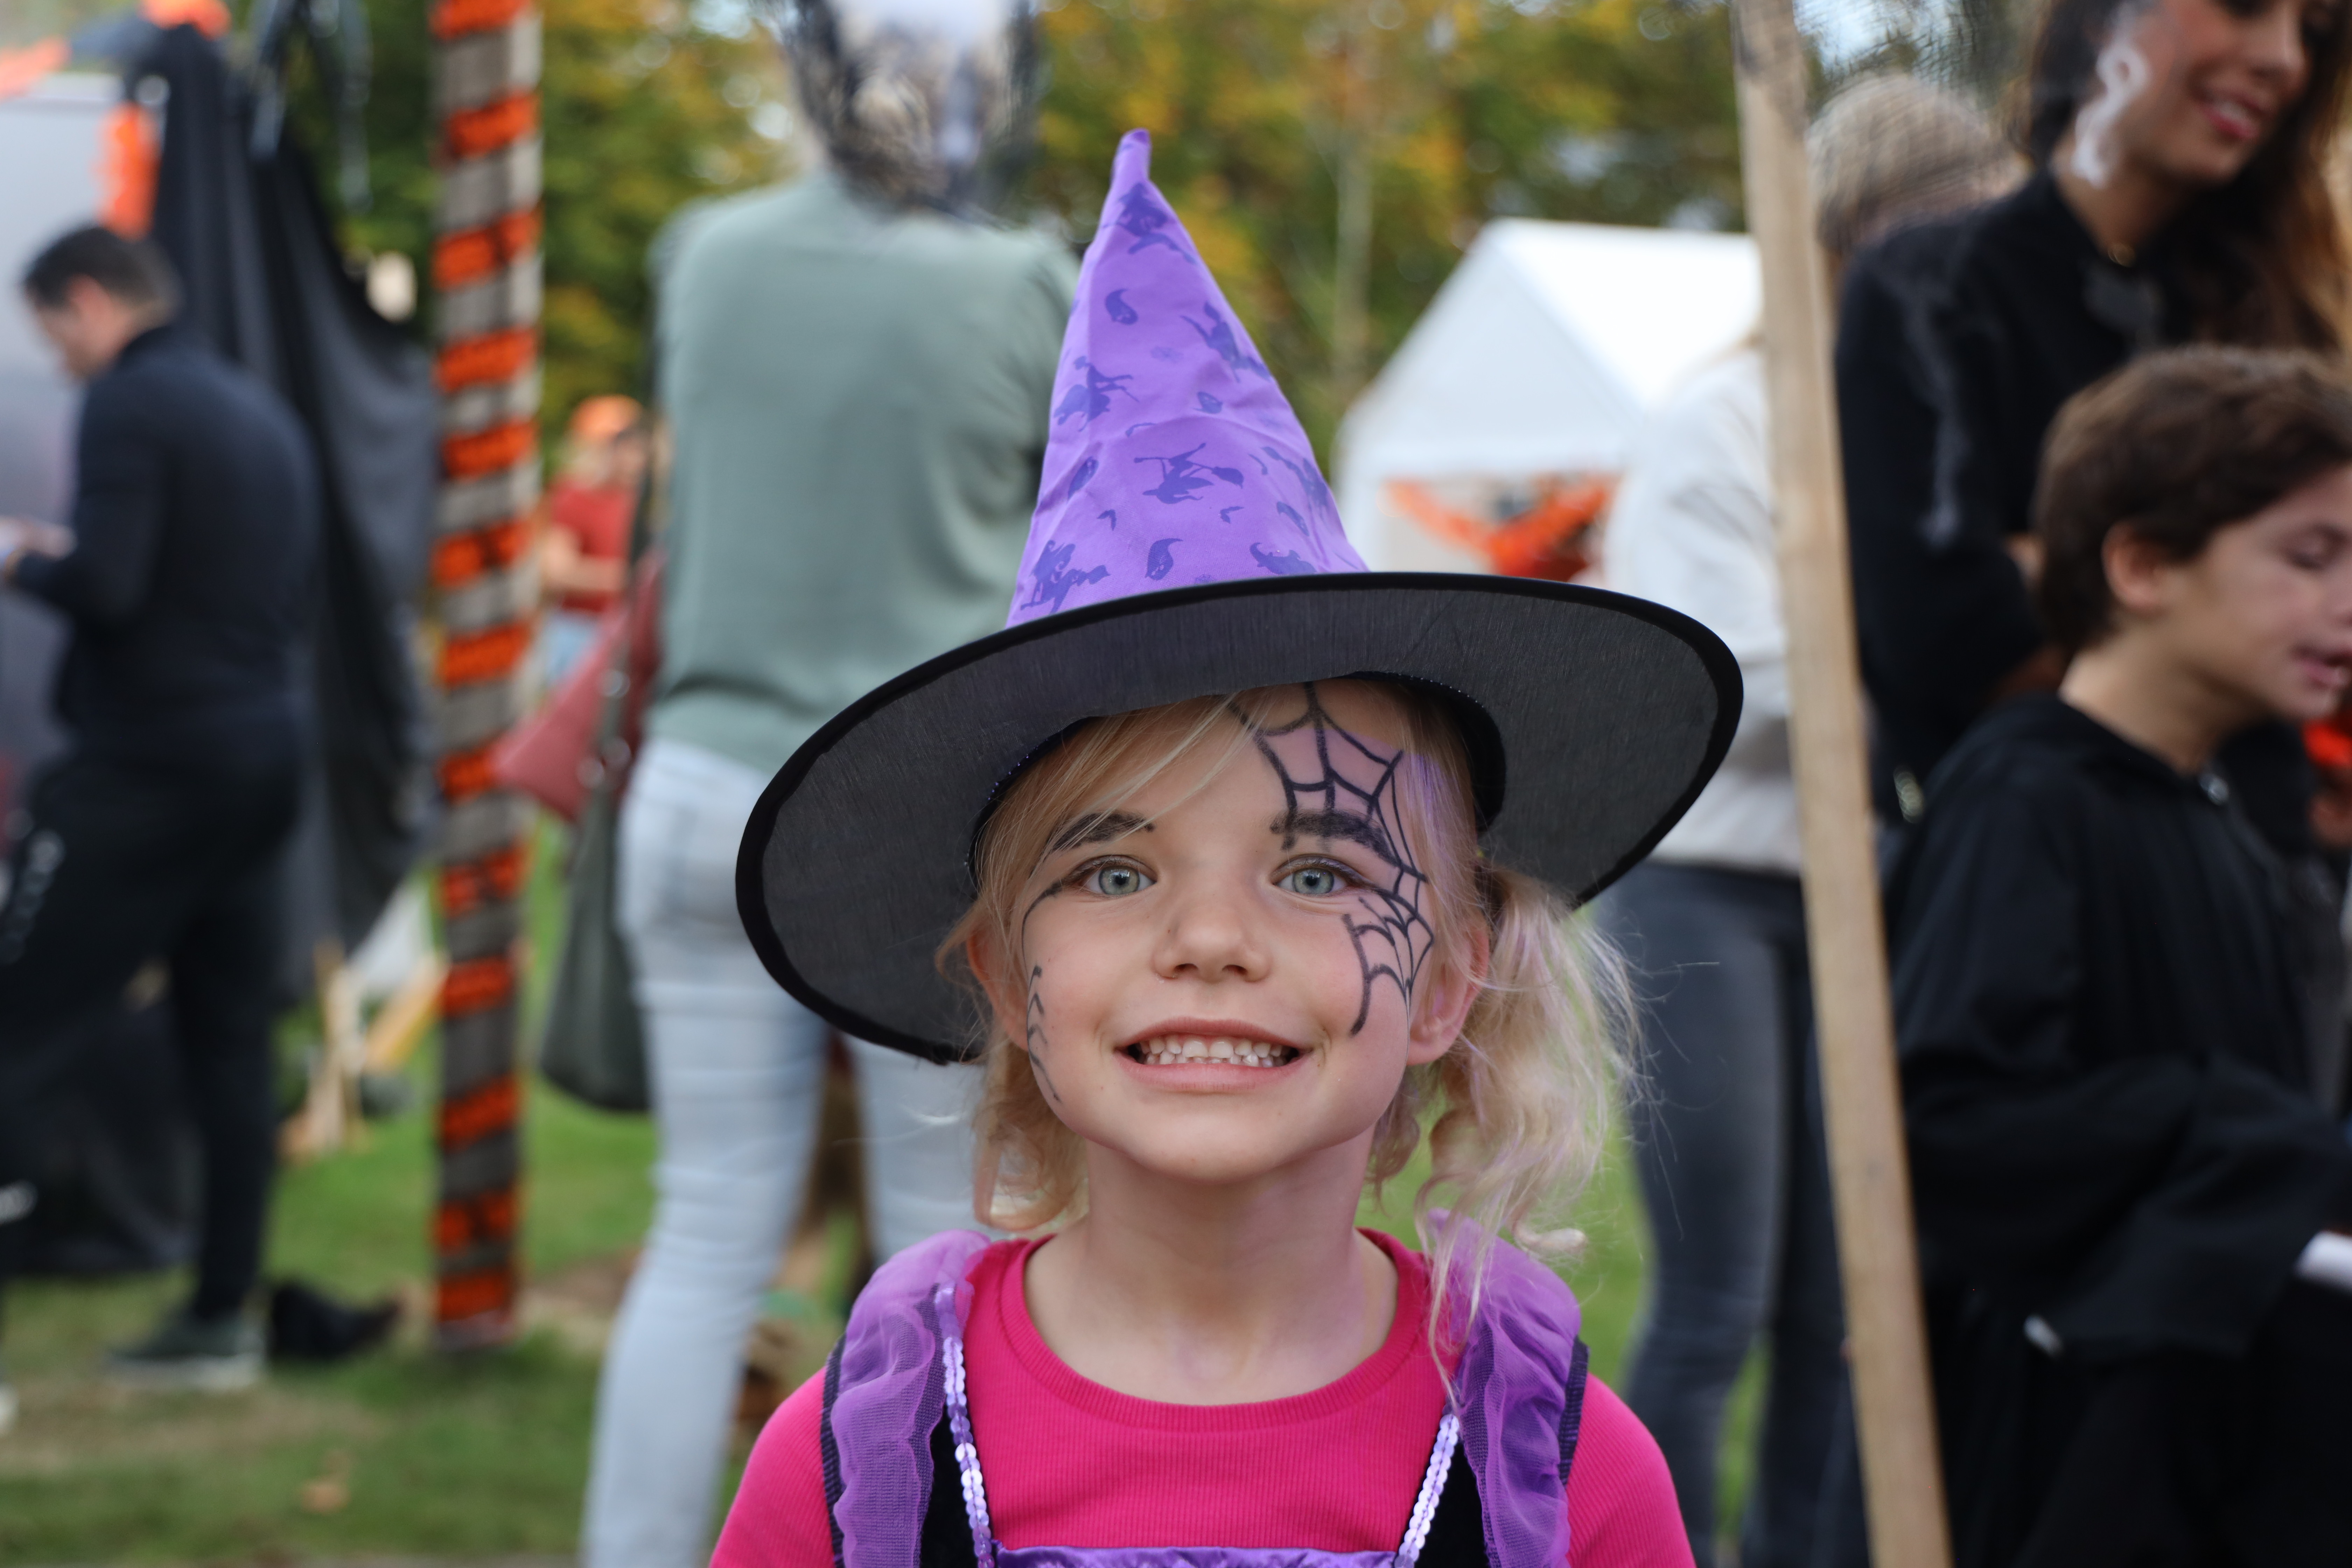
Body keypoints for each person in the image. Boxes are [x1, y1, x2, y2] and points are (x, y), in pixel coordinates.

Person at [712, 127, 1724, 1568]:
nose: (1208, 939)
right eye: (1113, 873)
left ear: (1449, 981)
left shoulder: (1557, 1481)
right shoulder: (860, 1469)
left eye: (1318, 873)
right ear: (1005, 976)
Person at [575, 0, 1077, 1558]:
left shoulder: (703, 254)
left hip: (701, 788)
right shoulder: (1023, 283)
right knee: (942, 1243)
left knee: (704, 1231)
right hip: (913, 808)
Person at [1597, 75, 2015, 1568]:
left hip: (1858, 886)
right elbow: (1707, 668)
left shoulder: (1917, 420)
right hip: (1705, 882)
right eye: (1939, 231)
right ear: (1849, 233)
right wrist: (1923, 643)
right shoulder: (1718, 418)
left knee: (1842, 1301)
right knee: (1714, 1295)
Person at [1888, 347, 2352, 1567]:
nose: (2347, 601)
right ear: (2143, 565)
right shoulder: (2022, 797)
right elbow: (1954, 1116)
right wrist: (2240, 1131)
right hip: (2074, 1440)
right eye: (2310, 558)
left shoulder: (2220, 818)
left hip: (2226, 1425)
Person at [0, 226, 317, 1408]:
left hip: (151, 766)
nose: (58, 358)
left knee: (18, 1033)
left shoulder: (130, 401)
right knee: (228, 1045)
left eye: (52, 331)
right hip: (258, 754)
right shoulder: (252, 407)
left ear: (85, 299)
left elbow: (110, 583)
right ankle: (219, 1318)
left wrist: (16, 559)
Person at [537, 394, 644, 686]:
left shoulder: (641, 504)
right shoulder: (573, 497)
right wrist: (629, 578)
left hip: (626, 629)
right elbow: (556, 572)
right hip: (579, 631)